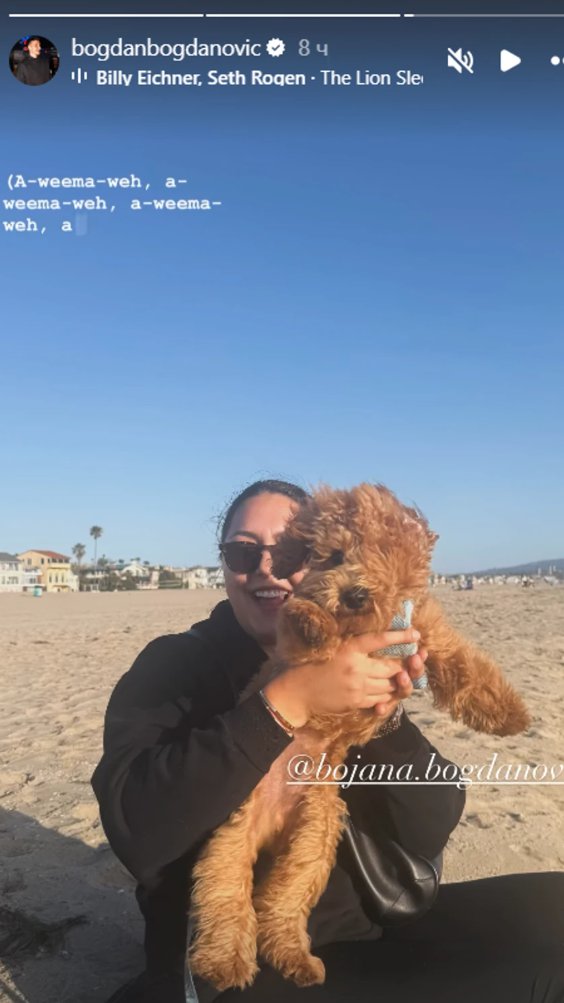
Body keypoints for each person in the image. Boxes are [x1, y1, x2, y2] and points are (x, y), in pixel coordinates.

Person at [92, 479, 564, 1003]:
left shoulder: (365, 650)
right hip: (236, 970)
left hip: (372, 923)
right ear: (223, 564)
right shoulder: (175, 665)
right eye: (243, 553)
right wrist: (288, 700)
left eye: (290, 551)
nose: (268, 568)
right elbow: (138, 831)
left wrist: (384, 719)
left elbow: (431, 823)